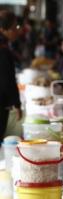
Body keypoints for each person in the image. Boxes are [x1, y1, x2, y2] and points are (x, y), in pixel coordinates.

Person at [0, 10, 22, 145]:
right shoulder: (2, 50)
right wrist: (17, 103)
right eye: (14, 28)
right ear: (3, 29)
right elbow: (7, 80)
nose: (17, 31)